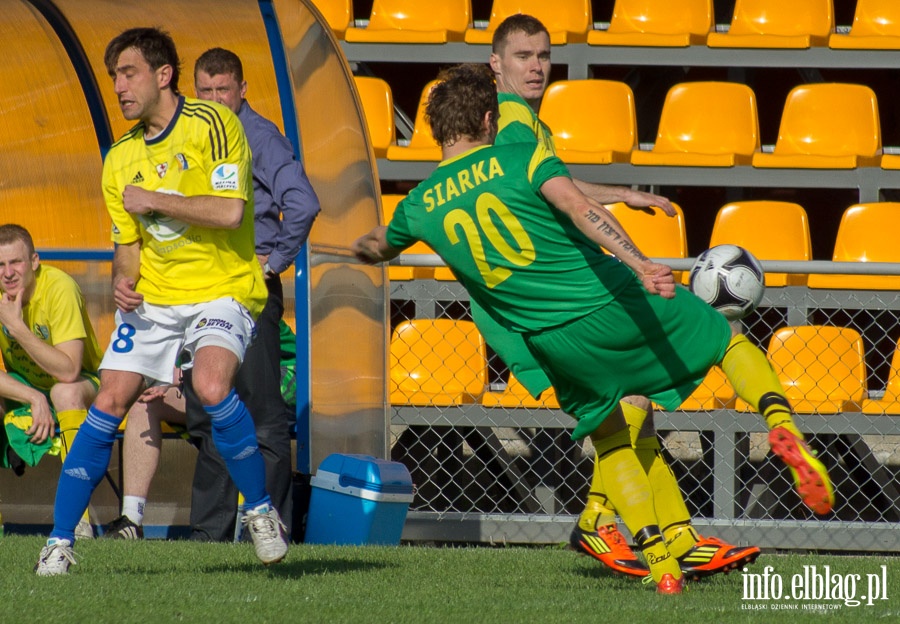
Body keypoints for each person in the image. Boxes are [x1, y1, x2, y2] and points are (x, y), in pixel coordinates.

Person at [352, 63, 834, 593]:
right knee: (726, 339)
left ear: (436, 131)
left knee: (611, 442)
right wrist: (639, 261)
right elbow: (579, 208)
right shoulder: (518, 153)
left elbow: (375, 246)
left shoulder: (419, 206)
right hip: (609, 301)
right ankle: (780, 422)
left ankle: (663, 563)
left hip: (553, 341)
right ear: (490, 119)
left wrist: (338, 244)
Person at [481, 13, 760, 580]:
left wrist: (622, 192)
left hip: (566, 286)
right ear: (496, 64)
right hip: (558, 293)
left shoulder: (526, 124)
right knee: (633, 390)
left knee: (638, 395)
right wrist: (632, 261)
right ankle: (600, 519)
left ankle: (673, 535)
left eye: (542, 55)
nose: (535, 67)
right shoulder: (512, 124)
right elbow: (559, 203)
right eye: (521, 57)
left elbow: (557, 185)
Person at [34, 27, 288, 575]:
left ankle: (261, 512)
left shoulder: (214, 123)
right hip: (156, 300)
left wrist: (154, 198)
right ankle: (58, 544)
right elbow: (127, 247)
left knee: (211, 385)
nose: (119, 88)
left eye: (128, 74)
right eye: (114, 78)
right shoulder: (119, 159)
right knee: (108, 401)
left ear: (163, 75)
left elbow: (230, 213)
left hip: (222, 289)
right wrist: (124, 279)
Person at [101, 47, 320, 542]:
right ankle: (208, 531)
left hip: (244, 288)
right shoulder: (183, 133)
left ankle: (271, 523)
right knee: (207, 410)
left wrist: (274, 263)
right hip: (188, 289)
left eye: (225, 90)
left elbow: (303, 203)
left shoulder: (255, 136)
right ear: (190, 90)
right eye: (207, 90)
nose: (216, 99)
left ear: (244, 91)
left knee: (261, 415)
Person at [0, 224, 101, 539]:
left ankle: (78, 520)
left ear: (34, 261)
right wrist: (33, 397)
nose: (8, 273)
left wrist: (16, 328)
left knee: (64, 391)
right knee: (49, 393)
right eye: (0, 265)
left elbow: (70, 369)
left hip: (87, 384)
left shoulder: (59, 287)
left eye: (15, 262)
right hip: (27, 387)